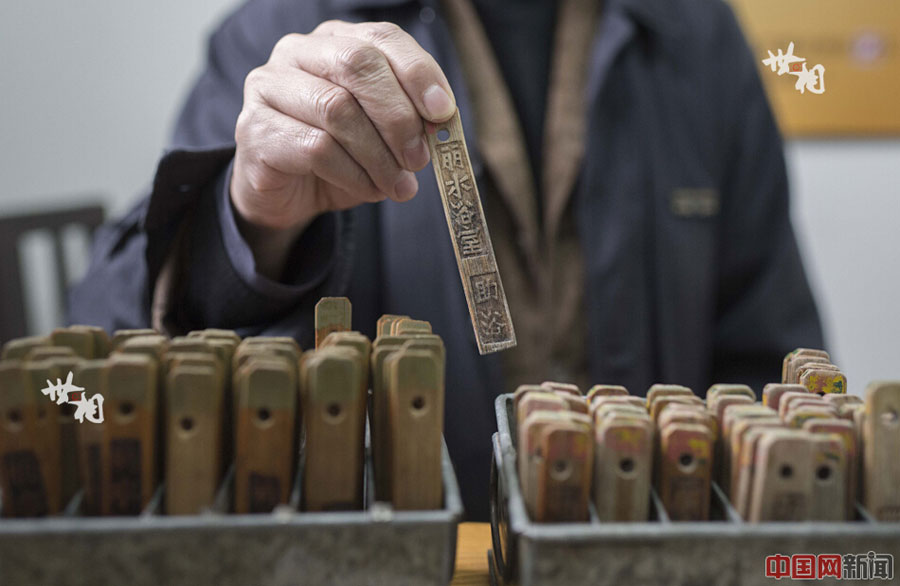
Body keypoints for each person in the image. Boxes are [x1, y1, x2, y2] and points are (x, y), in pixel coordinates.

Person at [70, 0, 824, 520]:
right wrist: (250, 222)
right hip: (397, 555)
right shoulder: (286, 26)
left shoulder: (697, 34)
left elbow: (768, 355)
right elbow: (99, 345)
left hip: (646, 548)